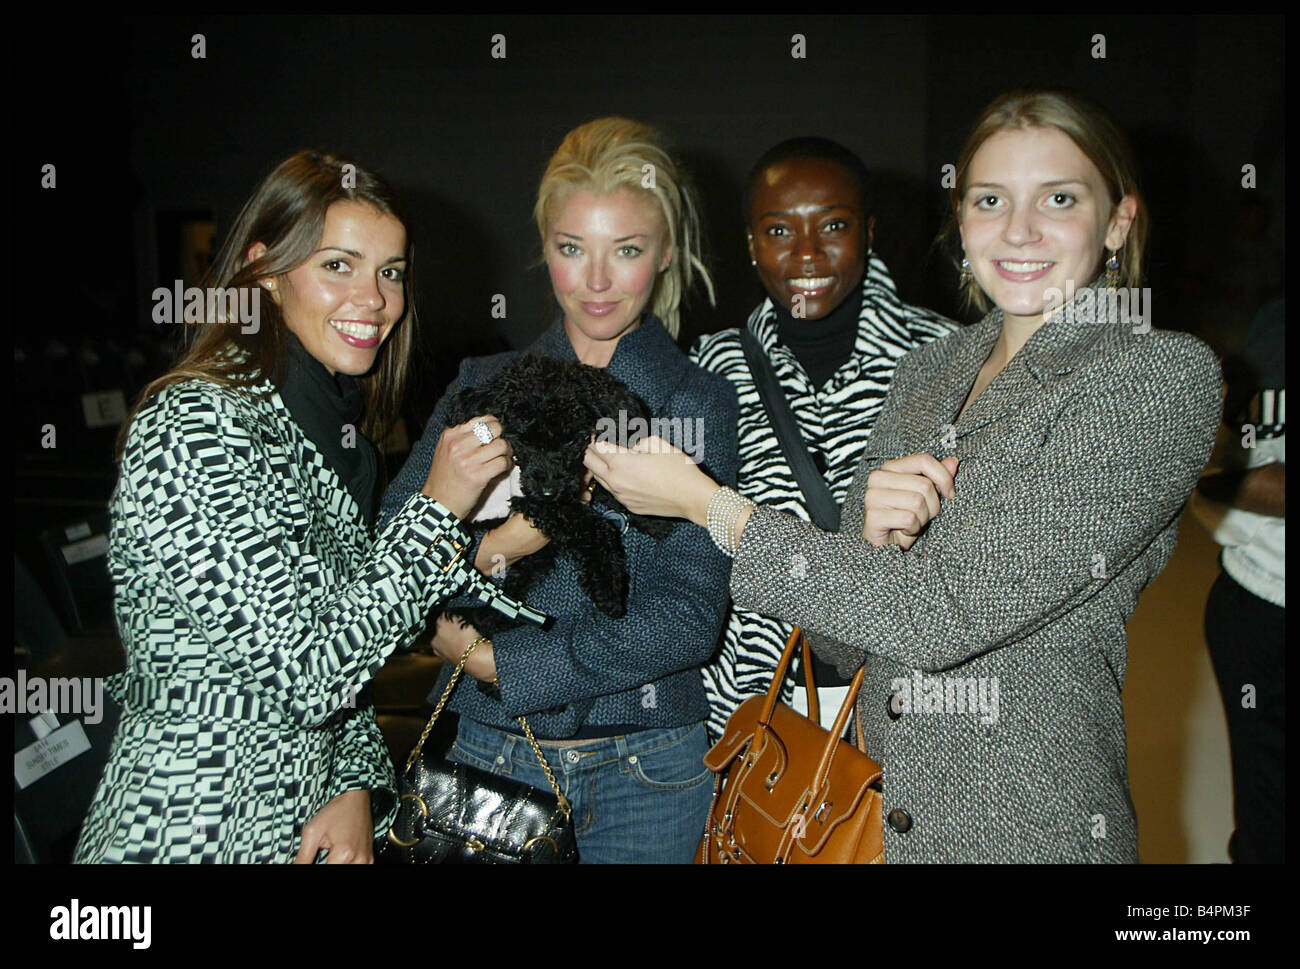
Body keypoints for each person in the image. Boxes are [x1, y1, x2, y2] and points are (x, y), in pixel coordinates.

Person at [587, 89, 1224, 862]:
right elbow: (845, 642)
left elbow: (945, 614)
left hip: (1023, 827)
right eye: (991, 200)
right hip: (877, 824)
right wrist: (868, 537)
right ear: (962, 220)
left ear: (1118, 221)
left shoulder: (1154, 377)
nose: (1019, 230)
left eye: (1059, 198)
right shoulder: (930, 370)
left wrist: (705, 504)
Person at [76, 150, 539, 864]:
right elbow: (308, 671)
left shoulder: (326, 431)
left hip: (301, 819)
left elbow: (349, 642)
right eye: (337, 265)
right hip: (189, 823)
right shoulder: (197, 426)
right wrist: (437, 506)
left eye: (390, 271)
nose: (375, 298)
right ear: (265, 269)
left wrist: (350, 779)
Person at [378, 118, 738, 863]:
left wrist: (503, 664)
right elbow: (388, 555)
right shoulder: (481, 385)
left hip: (649, 768)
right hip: (491, 758)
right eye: (572, 249)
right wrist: (496, 547)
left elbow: (688, 617)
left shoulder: (693, 402)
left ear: (667, 252)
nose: (597, 282)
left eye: (627, 250)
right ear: (544, 247)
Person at [691, 137, 954, 739]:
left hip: (907, 704)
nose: (807, 254)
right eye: (779, 231)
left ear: (868, 230)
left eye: (833, 225)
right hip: (751, 711)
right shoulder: (709, 368)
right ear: (751, 243)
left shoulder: (949, 356)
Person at [1191, 296, 1285, 863]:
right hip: (1251, 596)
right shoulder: (1273, 315)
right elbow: (1238, 437)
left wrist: (1204, 486)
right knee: (1264, 807)